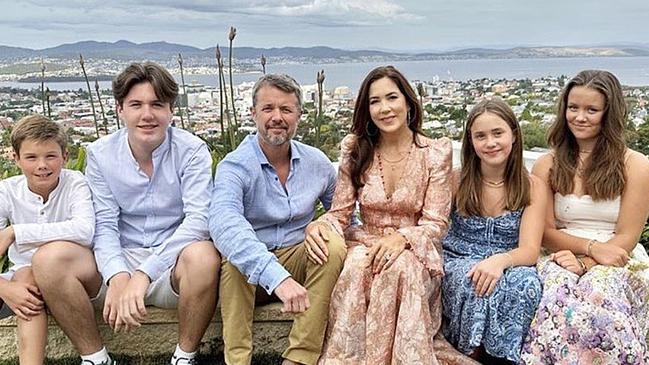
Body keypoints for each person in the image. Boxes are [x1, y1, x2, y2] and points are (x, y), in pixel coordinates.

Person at [32, 62, 219, 365]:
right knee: (48, 259)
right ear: (120, 109)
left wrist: (144, 274)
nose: (147, 114)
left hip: (173, 266)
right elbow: (104, 224)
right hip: (116, 258)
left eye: (157, 104)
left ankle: (185, 357)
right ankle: (95, 358)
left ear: (171, 109)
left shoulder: (192, 150)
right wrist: (118, 276)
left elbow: (198, 221)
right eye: (136, 104)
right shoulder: (101, 154)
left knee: (204, 255)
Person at [312, 65, 476, 364]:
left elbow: (436, 222)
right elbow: (340, 213)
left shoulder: (434, 152)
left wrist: (402, 239)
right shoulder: (356, 149)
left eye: (391, 98)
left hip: (416, 247)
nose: (384, 108)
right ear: (366, 108)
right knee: (357, 267)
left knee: (400, 268)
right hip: (364, 242)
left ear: (408, 103)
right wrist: (318, 227)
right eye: (375, 101)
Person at [210, 73, 345, 365]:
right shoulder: (235, 166)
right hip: (251, 272)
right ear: (253, 113)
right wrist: (276, 277)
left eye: (286, 109)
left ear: (299, 115)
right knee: (235, 259)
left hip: (297, 259)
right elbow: (224, 223)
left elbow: (343, 215)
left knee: (331, 246)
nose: (277, 117)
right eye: (268, 108)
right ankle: (237, 360)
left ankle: (299, 357)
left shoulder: (317, 163)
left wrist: (320, 224)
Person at [521, 70, 649, 364]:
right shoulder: (547, 164)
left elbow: (627, 237)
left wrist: (589, 261)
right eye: (573, 108)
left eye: (591, 110)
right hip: (560, 252)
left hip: (618, 254)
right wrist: (585, 252)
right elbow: (543, 231)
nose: (579, 117)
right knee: (555, 295)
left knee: (601, 298)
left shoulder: (635, 165)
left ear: (609, 113)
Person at [440, 98, 545, 365]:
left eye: (498, 133)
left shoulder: (531, 186)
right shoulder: (457, 180)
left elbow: (530, 250)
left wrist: (500, 261)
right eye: (481, 136)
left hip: (510, 259)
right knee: (475, 281)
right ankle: (469, 355)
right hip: (459, 257)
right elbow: (435, 227)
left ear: (513, 135)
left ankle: (506, 358)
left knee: (525, 284)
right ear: (471, 142)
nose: (490, 143)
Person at [0, 115, 95, 365]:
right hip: (26, 279)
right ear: (16, 158)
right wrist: (5, 289)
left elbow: (84, 230)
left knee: (33, 269)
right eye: (31, 157)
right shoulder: (7, 191)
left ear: (65, 157)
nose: (42, 165)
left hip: (71, 274)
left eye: (50, 156)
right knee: (27, 275)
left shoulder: (75, 183)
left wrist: (15, 232)